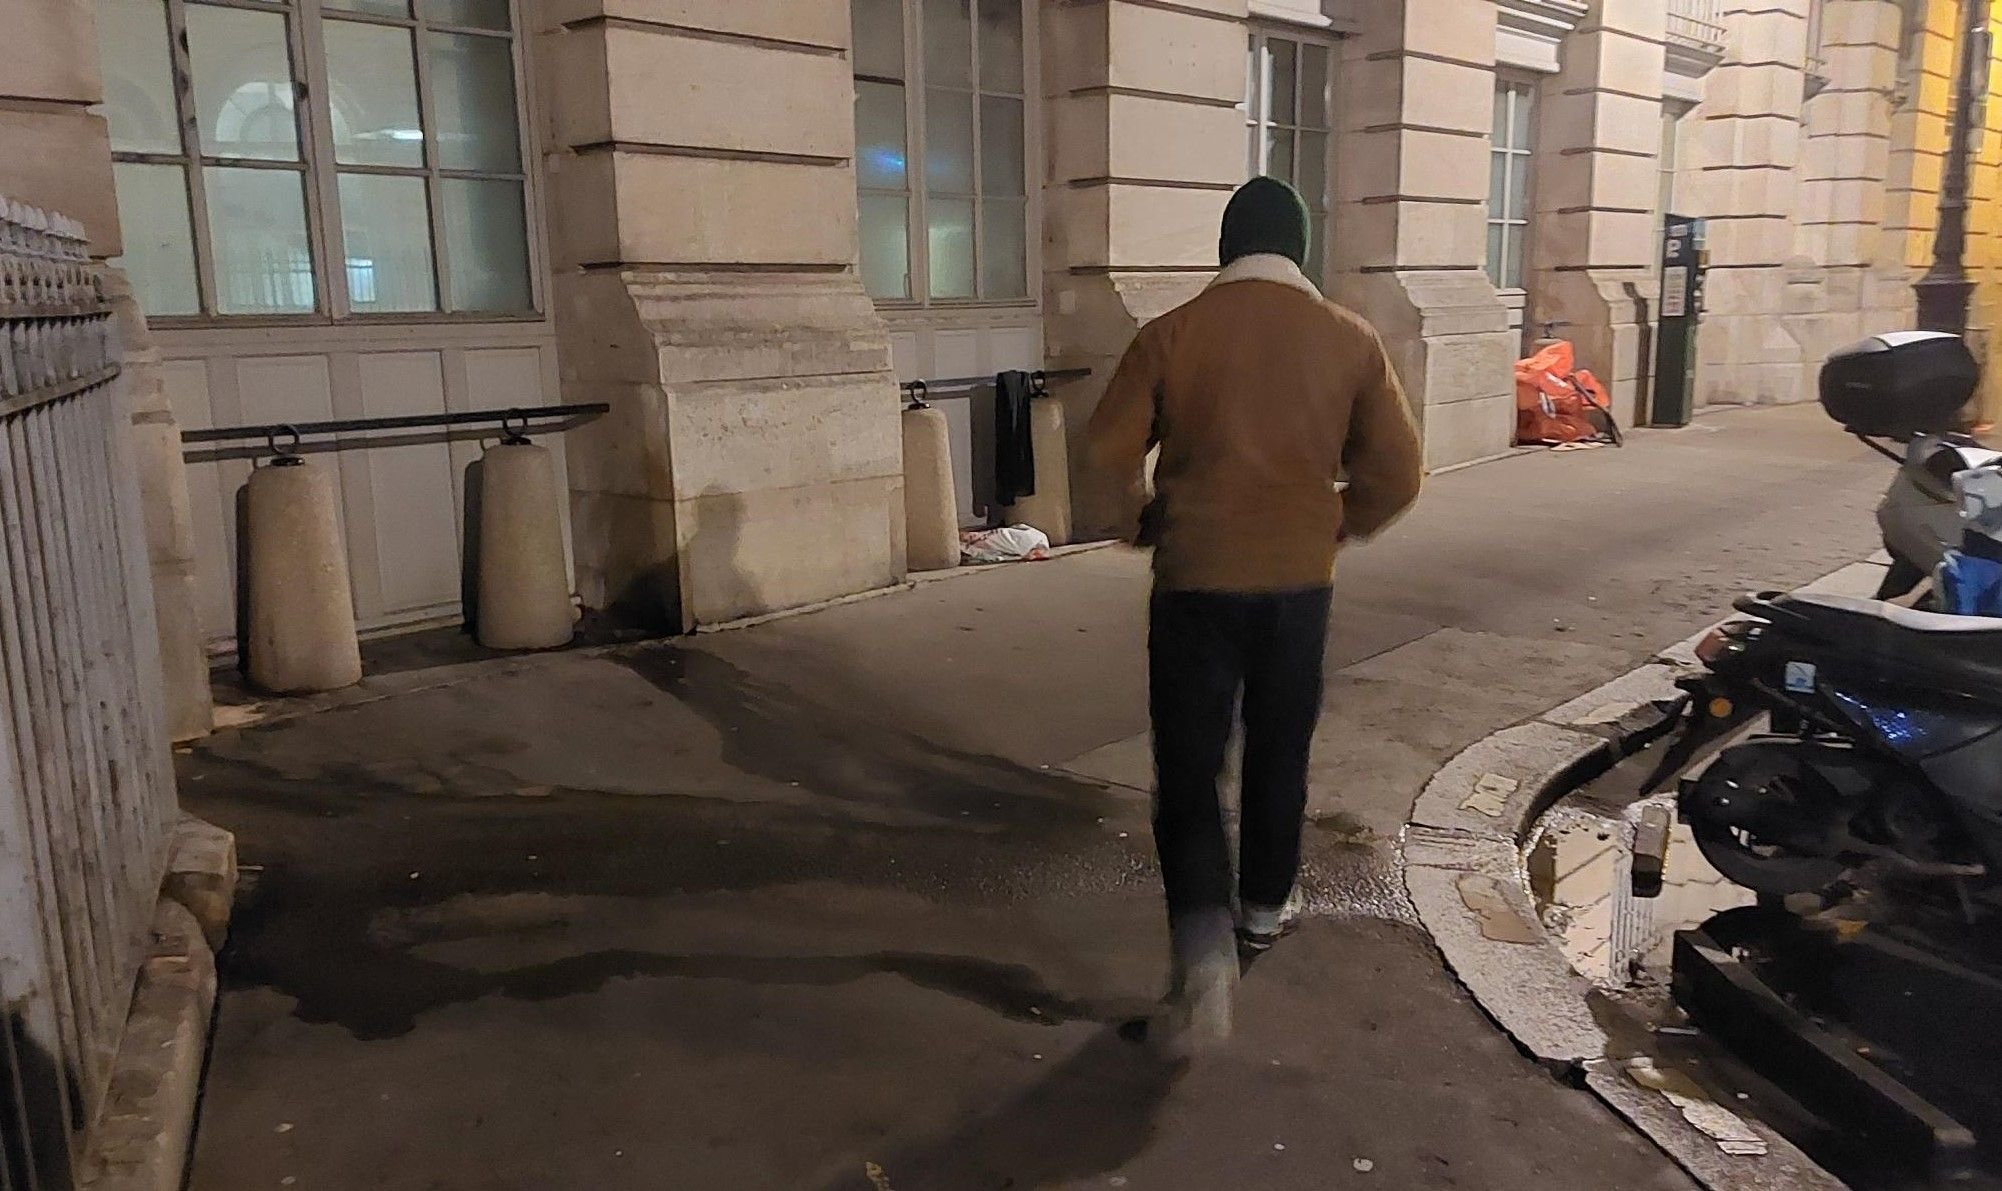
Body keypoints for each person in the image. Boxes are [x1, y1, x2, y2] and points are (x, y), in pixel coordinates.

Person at [1086, 176, 1424, 1048]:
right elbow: (1397, 471)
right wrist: (1343, 520)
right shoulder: (1350, 339)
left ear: (1226, 249)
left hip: (1196, 580)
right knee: (1282, 745)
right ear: (1301, 250)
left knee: (1192, 773)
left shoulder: (1171, 335)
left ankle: (1202, 962)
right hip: (1298, 582)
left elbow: (1104, 452)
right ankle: (1266, 905)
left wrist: (1139, 519)